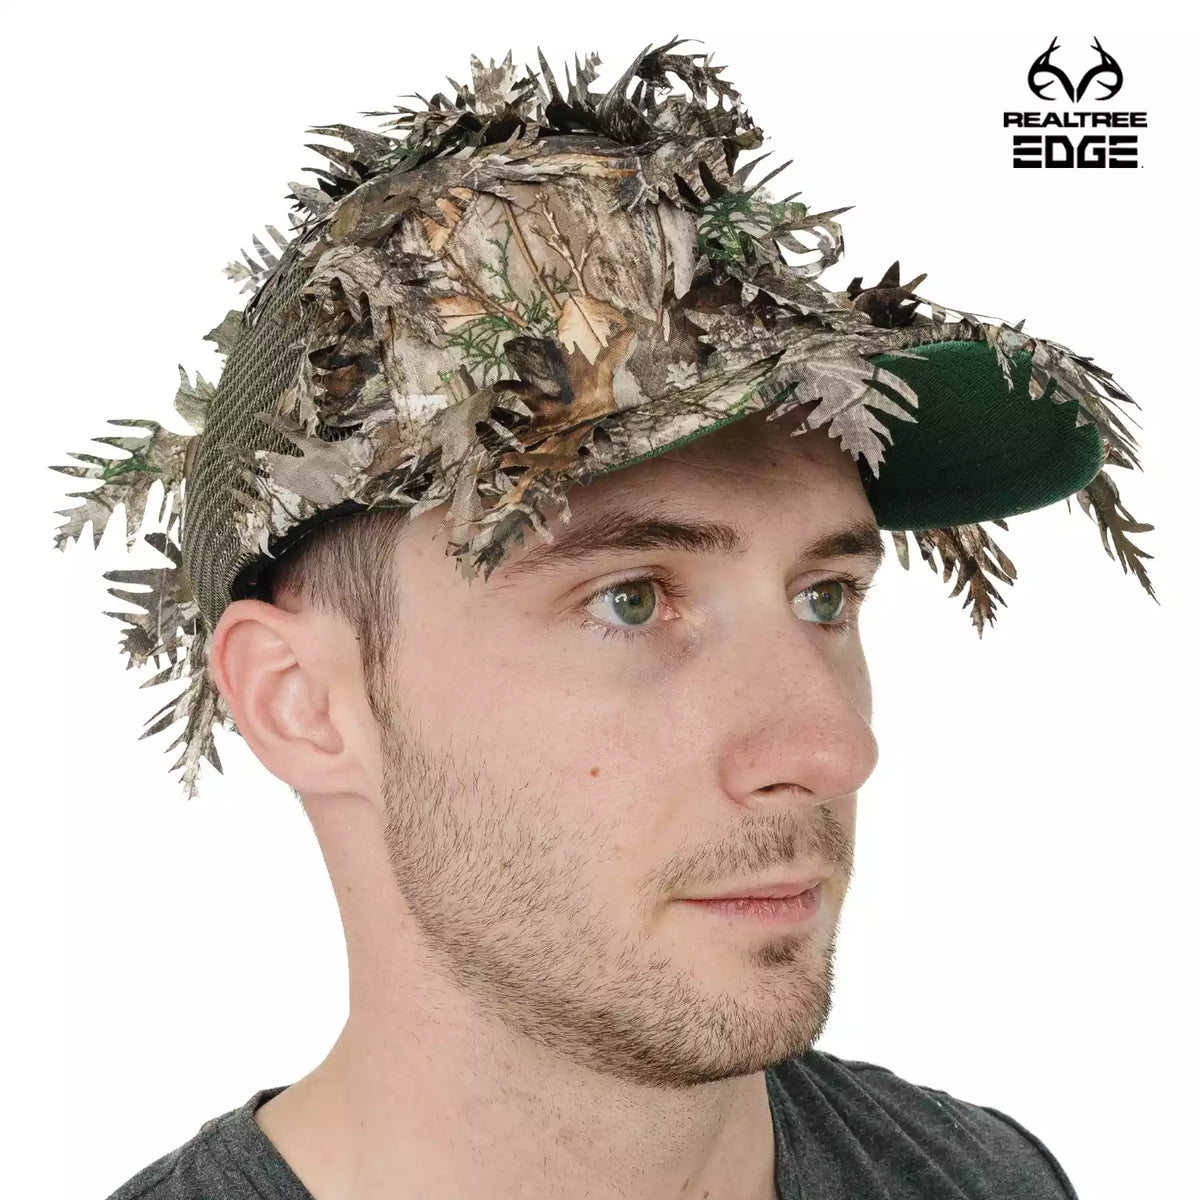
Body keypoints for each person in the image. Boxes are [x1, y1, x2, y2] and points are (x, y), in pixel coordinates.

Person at [54, 39, 1154, 1200]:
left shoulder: (983, 1177)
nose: (833, 749)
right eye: (631, 601)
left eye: (824, 597)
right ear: (304, 705)